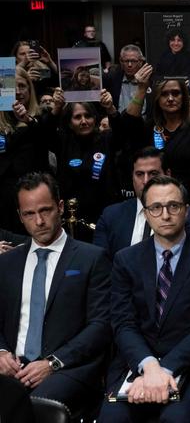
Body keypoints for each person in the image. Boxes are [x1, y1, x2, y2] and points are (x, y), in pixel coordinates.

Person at [97, 175, 190, 423]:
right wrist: (149, 367)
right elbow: (123, 323)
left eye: (173, 206)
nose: (165, 215)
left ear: (186, 211)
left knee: (176, 419)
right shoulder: (126, 260)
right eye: (156, 208)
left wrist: (164, 369)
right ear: (146, 214)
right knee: (112, 419)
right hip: (135, 364)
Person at [0, 172, 111, 415]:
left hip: (67, 369)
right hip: (13, 368)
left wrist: (53, 362)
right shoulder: (7, 263)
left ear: (60, 207)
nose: (39, 221)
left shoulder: (91, 258)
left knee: (29, 408)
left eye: (45, 210)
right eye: (29, 214)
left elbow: (101, 325)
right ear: (20, 216)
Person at [123, 64, 190, 212]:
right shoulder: (149, 128)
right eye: (164, 94)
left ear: (184, 97)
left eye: (176, 93)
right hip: (154, 204)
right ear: (157, 98)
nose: (170, 98)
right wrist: (141, 89)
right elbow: (128, 126)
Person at [94, 146, 190, 260]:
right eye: (140, 174)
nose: (146, 181)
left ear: (167, 174)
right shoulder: (111, 216)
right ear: (132, 177)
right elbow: (100, 266)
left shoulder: (189, 216)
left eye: (153, 173)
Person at [53, 94, 122, 233]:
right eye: (78, 117)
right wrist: (56, 108)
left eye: (88, 116)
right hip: (73, 219)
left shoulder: (107, 139)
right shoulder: (63, 142)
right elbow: (43, 132)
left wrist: (111, 110)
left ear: (95, 119)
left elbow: (123, 133)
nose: (84, 121)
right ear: (69, 122)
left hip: (105, 216)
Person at [0, 67, 53, 233]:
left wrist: (27, 120)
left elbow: (48, 141)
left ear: (30, 89)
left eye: (22, 86)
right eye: (12, 87)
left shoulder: (41, 117)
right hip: (4, 199)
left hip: (35, 196)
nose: (17, 92)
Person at [104, 44, 146, 113]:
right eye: (126, 61)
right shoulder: (111, 80)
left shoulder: (148, 81)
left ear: (140, 62)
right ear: (121, 61)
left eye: (133, 61)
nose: (129, 65)